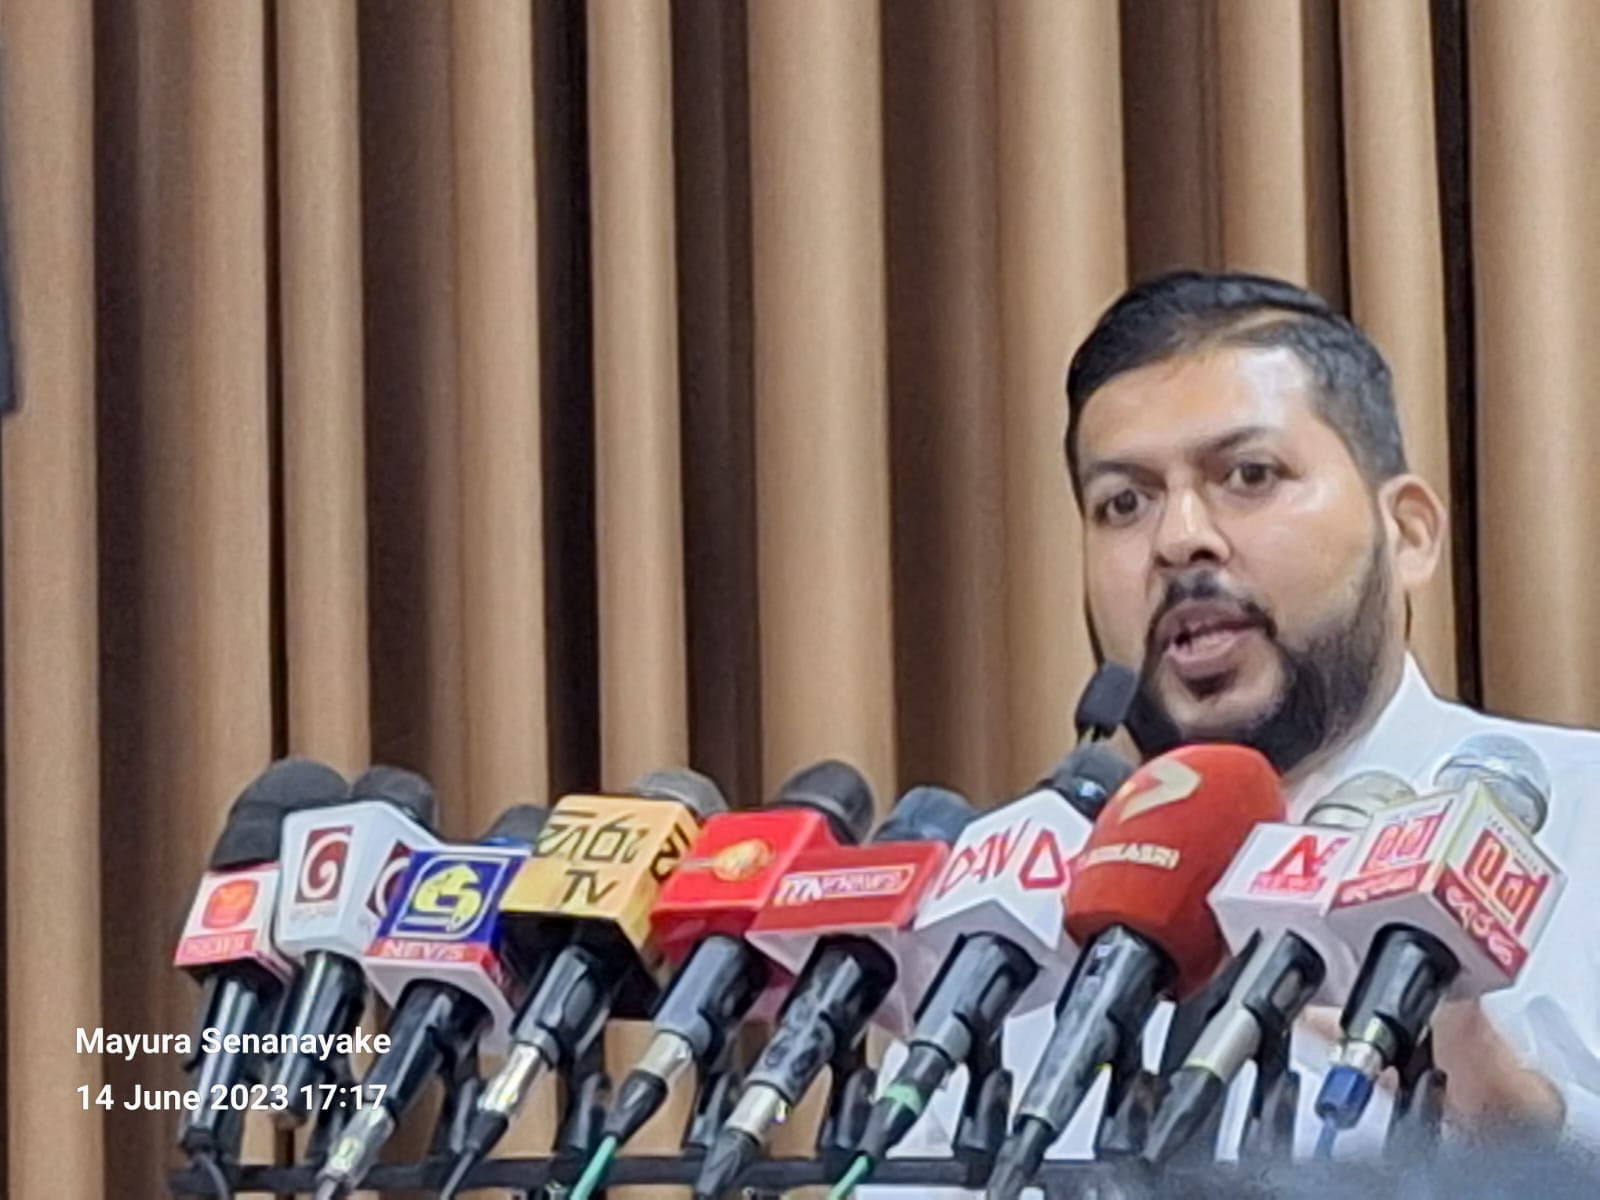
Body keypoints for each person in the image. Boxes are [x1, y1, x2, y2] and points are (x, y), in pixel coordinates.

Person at [874, 271, 1600, 1191]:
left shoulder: (1585, 821)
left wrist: (1526, 1134)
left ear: (1408, 533)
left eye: (1248, 477)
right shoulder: (1004, 899)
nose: (1180, 539)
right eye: (1123, 503)